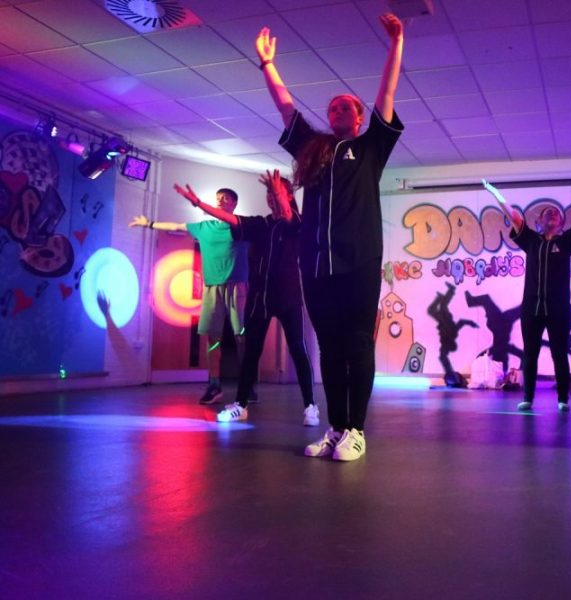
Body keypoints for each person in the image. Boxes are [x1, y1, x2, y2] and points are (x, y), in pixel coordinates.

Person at [257, 13, 404, 461]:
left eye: (346, 108)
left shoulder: (370, 149)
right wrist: (268, 65)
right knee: (330, 347)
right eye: (333, 108)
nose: (337, 111)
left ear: (359, 118)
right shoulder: (314, 149)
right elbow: (286, 108)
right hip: (316, 265)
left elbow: (387, 95)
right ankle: (337, 427)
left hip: (358, 263)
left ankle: (357, 430)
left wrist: (396, 43)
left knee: (357, 344)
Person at [173, 173, 317, 426]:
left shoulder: (295, 221)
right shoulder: (259, 224)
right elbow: (229, 218)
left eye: (276, 193)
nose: (272, 198)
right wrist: (198, 203)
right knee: (251, 351)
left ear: (288, 196)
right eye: (269, 193)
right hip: (259, 298)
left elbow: (286, 213)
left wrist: (280, 194)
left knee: (297, 349)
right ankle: (240, 405)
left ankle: (310, 407)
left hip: (288, 296)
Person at [483, 177, 571, 412]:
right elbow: (514, 216)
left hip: (558, 310)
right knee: (530, 355)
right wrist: (495, 194)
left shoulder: (566, 242)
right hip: (531, 309)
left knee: (559, 355)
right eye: (547, 212)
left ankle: (563, 399)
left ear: (561, 223)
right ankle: (528, 398)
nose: (552, 214)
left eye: (556, 213)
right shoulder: (531, 241)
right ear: (539, 221)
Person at [129, 189, 248, 405]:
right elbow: (176, 226)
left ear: (234, 204)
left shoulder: (241, 226)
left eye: (226, 198)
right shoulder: (204, 227)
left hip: (237, 287)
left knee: (242, 336)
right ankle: (214, 384)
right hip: (211, 287)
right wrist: (149, 223)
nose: (220, 201)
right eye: (218, 198)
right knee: (212, 338)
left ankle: (247, 384)